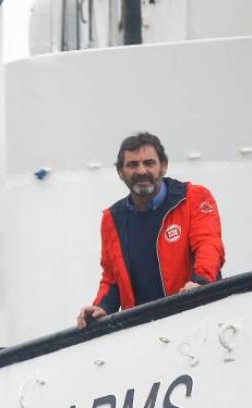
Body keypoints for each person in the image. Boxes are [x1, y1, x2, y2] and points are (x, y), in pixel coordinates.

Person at [77, 132, 225, 328]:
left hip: (197, 316)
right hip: (143, 332)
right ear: (120, 172)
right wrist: (102, 306)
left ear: (163, 166)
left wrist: (201, 282)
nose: (141, 171)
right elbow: (112, 278)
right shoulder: (112, 219)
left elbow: (208, 244)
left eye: (149, 163)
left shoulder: (193, 198)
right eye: (132, 165)